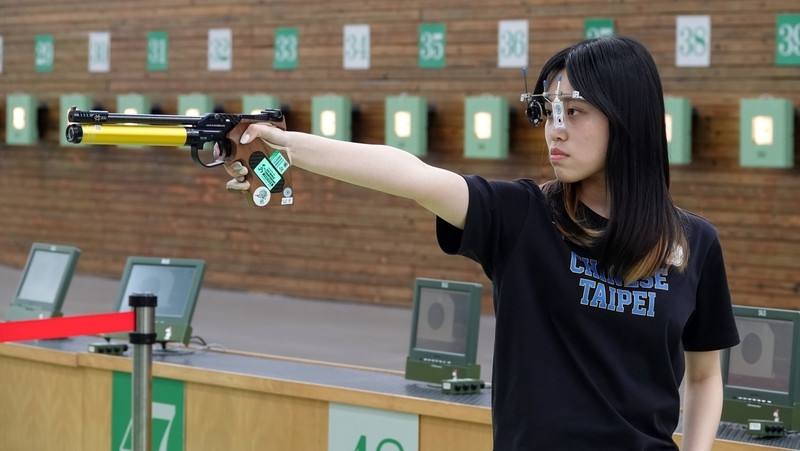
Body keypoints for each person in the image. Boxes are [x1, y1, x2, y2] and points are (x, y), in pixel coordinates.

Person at [220, 36, 740, 450]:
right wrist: (288, 145)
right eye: (549, 110)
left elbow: (703, 377)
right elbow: (410, 175)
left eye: (575, 111)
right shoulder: (523, 216)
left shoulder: (694, 242)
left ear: (626, 119)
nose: (554, 130)